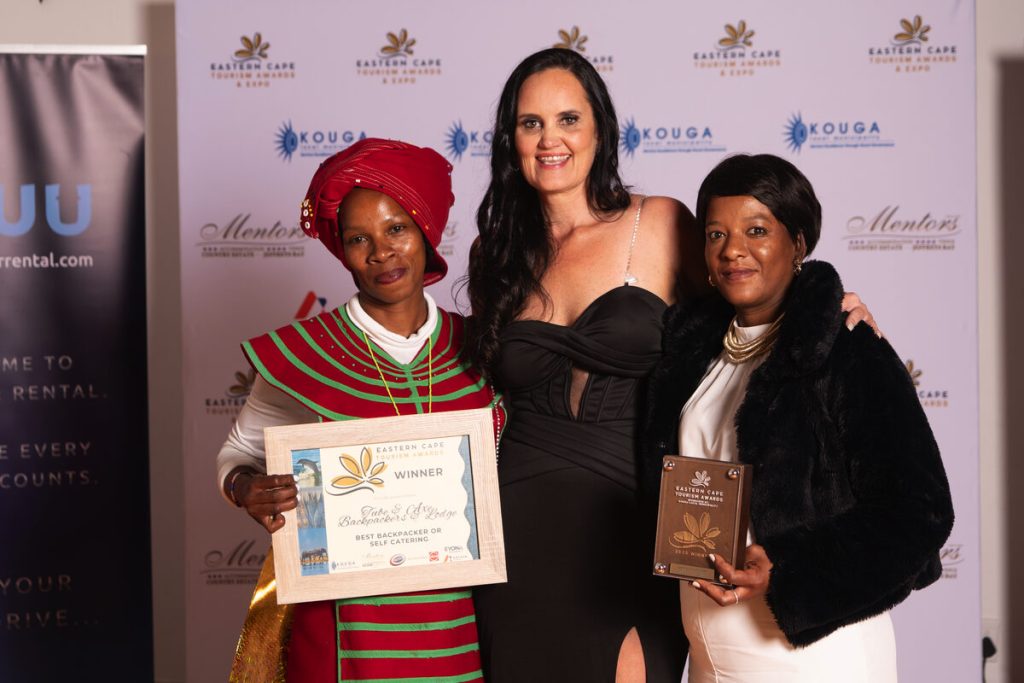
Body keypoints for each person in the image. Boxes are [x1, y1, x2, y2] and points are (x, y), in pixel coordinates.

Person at [639, 154, 954, 682]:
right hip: (711, 649)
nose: (733, 250)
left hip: (813, 651)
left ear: (799, 244)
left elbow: (920, 511)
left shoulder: (846, 347)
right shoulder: (690, 354)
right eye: (715, 234)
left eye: (756, 230)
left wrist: (787, 566)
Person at [216, 138, 504, 682]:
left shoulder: (482, 347)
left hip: (464, 622)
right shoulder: (303, 354)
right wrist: (245, 488)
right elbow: (238, 454)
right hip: (346, 635)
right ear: (342, 252)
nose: (381, 252)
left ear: (425, 231)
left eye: (396, 228)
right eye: (358, 239)